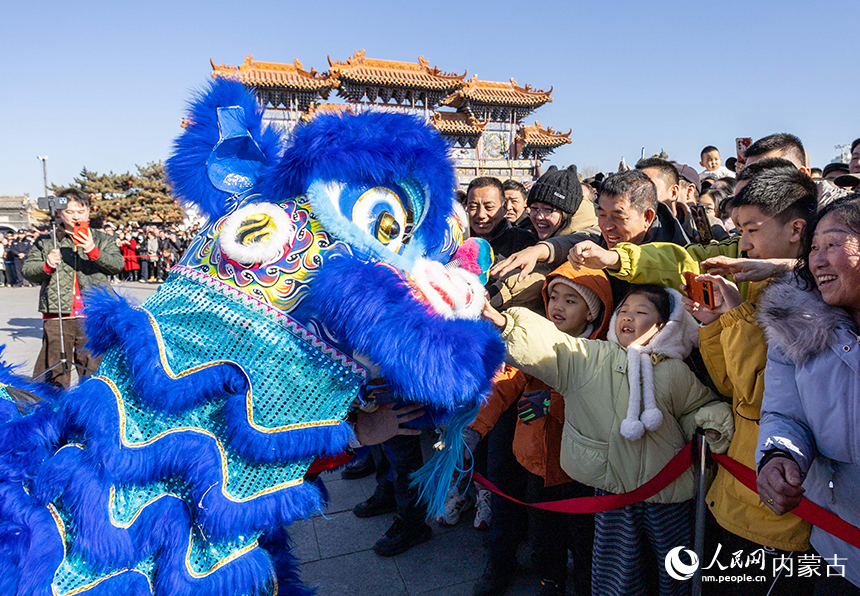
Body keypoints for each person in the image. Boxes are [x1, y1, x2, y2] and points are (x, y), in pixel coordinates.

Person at [484, 284, 732, 596]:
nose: (628, 317)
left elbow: (695, 408)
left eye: (641, 313)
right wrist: (507, 324)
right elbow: (554, 347)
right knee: (618, 575)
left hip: (668, 494)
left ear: (662, 326)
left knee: (675, 570)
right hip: (613, 495)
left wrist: (710, 423)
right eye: (624, 311)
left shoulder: (675, 372)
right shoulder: (592, 357)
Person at [680, 166, 819, 595]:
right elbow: (730, 386)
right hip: (735, 486)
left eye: (753, 229)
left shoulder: (813, 299)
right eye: (739, 229)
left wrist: (737, 316)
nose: (744, 243)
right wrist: (713, 324)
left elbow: (764, 397)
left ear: (797, 228)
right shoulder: (754, 284)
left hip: (776, 508)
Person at [468, 263, 613, 596]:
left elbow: (601, 399)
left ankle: (585, 582)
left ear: (592, 313)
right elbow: (506, 382)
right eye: (553, 297)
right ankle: (551, 578)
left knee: (583, 532)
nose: (557, 306)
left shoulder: (601, 350)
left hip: (579, 468)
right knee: (542, 529)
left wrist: (553, 404)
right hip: (534, 458)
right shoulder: (536, 341)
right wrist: (474, 428)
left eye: (571, 301)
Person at [756, 194, 860, 593]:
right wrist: (780, 456)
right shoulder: (796, 327)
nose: (817, 260)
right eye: (813, 247)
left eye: (833, 245)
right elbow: (785, 414)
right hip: (840, 546)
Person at [491, 169, 689, 306]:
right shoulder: (600, 239)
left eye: (618, 216)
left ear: (647, 217)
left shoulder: (677, 250)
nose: (607, 226)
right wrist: (538, 250)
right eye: (602, 214)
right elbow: (578, 238)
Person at [22, 188, 124, 388]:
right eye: (69, 212)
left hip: (92, 313)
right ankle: (52, 411)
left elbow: (117, 264)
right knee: (54, 370)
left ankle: (92, 411)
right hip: (58, 314)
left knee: (94, 367)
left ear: (88, 211)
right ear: (59, 213)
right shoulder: (46, 241)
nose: (76, 216)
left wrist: (92, 250)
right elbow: (27, 270)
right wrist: (47, 265)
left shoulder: (102, 238)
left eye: (81, 211)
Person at [466, 177, 535, 260]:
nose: (481, 215)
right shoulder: (456, 242)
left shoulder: (524, 242)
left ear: (504, 207)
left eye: (489, 207)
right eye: (473, 207)